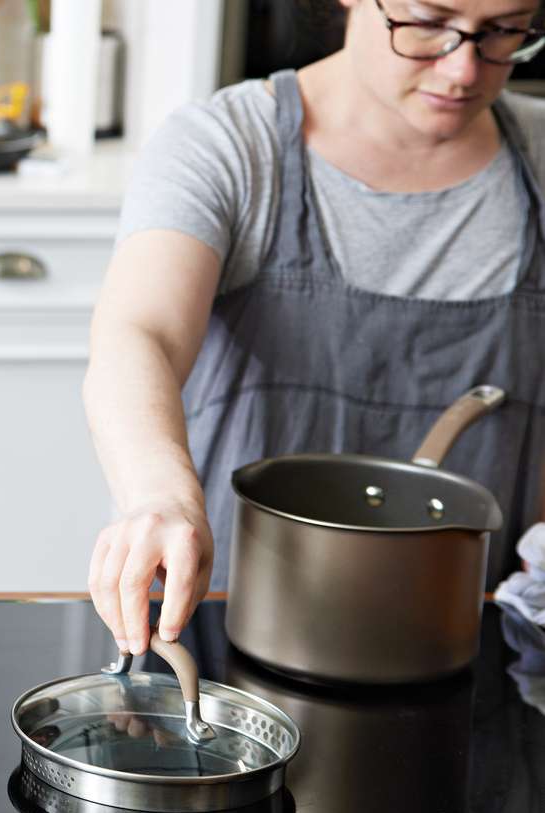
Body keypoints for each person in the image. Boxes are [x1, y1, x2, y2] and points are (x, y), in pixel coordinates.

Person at [84, 0, 545, 656]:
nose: (464, 66)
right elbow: (140, 332)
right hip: (224, 629)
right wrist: (158, 494)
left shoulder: (539, 158)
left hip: (467, 645)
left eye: (504, 30)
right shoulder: (229, 145)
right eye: (428, 22)